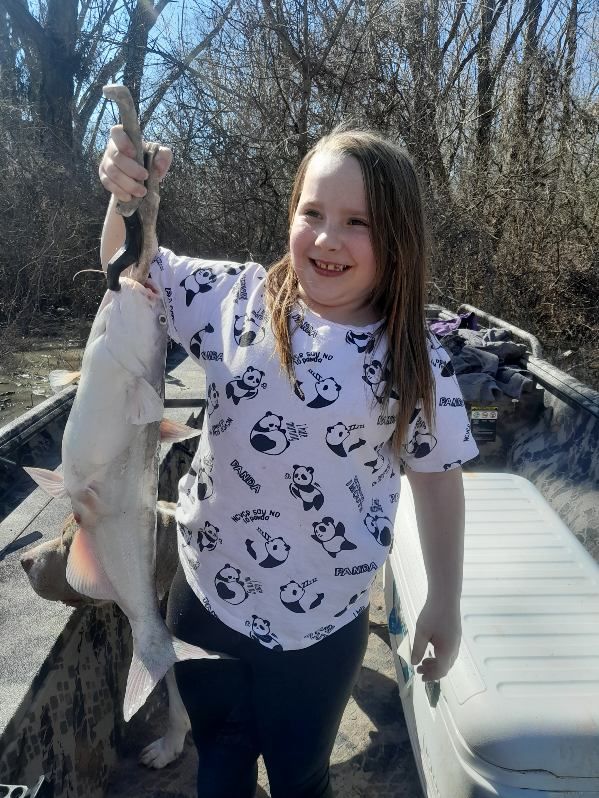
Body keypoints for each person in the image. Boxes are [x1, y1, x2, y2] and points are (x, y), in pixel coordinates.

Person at [99, 125, 479, 798]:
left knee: (300, 777)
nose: (327, 238)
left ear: (399, 238)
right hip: (203, 599)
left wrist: (444, 601)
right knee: (218, 759)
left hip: (320, 628)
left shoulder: (415, 354)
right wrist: (127, 203)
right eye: (312, 213)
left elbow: (439, 483)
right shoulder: (231, 299)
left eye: (356, 222)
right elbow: (129, 275)